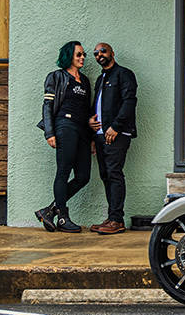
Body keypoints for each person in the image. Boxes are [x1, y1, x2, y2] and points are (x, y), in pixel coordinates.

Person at [35, 41, 92, 233]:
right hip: (64, 126)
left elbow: (87, 110)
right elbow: (47, 107)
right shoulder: (56, 77)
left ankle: (48, 211)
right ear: (69, 56)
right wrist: (49, 132)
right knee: (63, 171)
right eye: (78, 55)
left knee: (83, 176)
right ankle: (62, 218)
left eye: (83, 55)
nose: (82, 58)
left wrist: (91, 137)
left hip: (82, 130)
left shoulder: (84, 81)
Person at [87, 43, 138, 235]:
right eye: (96, 53)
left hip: (117, 134)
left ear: (112, 53)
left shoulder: (124, 74)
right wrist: (92, 126)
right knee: (106, 175)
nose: (99, 54)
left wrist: (116, 127)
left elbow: (129, 101)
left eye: (103, 51)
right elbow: (97, 105)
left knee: (114, 173)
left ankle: (117, 220)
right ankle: (112, 217)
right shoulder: (101, 79)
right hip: (100, 135)